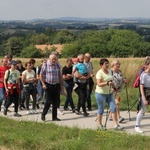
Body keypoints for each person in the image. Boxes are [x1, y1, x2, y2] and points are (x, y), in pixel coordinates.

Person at [95, 58, 123, 130]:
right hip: (100, 94)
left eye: (107, 63)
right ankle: (100, 125)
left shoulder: (110, 71)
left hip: (110, 93)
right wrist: (107, 83)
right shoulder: (99, 73)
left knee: (113, 108)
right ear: (101, 65)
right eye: (105, 64)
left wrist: (114, 87)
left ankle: (116, 125)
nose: (107, 65)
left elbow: (111, 81)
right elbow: (99, 84)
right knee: (101, 109)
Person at [40, 54, 64, 121]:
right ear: (49, 59)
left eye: (55, 59)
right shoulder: (45, 65)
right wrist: (43, 84)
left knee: (55, 102)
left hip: (56, 85)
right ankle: (43, 114)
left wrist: (62, 84)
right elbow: (41, 75)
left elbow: (59, 75)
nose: (54, 60)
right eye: (52, 59)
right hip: (48, 85)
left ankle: (54, 117)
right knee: (48, 101)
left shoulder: (57, 65)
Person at [134, 59, 150, 133]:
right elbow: (141, 87)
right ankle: (137, 126)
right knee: (142, 110)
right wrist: (143, 98)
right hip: (146, 92)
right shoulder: (144, 75)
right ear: (147, 65)